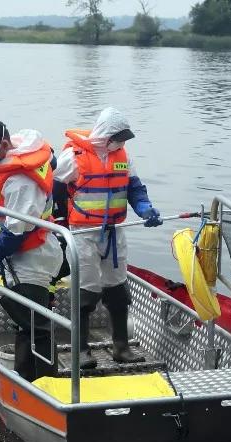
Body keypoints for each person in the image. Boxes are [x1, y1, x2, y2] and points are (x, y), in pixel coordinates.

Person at [53, 107, 160, 367]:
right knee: (86, 292)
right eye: (118, 137)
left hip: (114, 233)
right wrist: (61, 221)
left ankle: (121, 348)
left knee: (118, 291)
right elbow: (55, 186)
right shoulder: (73, 157)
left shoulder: (123, 155)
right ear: (105, 135)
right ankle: (81, 352)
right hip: (83, 234)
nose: (122, 143)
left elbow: (134, 187)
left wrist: (145, 207)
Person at [0, 119, 62, 382]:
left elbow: (14, 235)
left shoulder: (21, 182)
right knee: (26, 321)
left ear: (3, 145)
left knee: (37, 325)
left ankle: (46, 385)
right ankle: (25, 379)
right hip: (22, 256)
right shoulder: (16, 152)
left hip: (33, 258)